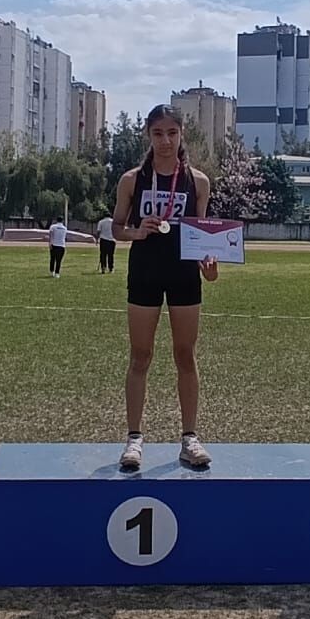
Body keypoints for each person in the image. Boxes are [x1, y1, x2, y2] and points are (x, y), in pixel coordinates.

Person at [112, 103, 217, 472]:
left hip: (184, 275)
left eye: (172, 133)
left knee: (185, 356)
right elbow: (116, 228)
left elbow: (203, 234)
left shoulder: (198, 182)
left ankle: (189, 438)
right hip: (144, 272)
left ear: (182, 134)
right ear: (148, 135)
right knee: (140, 356)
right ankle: (134, 440)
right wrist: (137, 232)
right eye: (158, 133)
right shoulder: (132, 180)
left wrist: (210, 262)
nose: (165, 141)